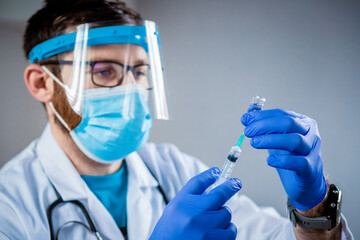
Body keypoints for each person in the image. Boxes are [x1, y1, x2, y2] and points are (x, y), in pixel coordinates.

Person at [0, 0, 354, 239]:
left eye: (139, 71)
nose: (131, 89)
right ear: (42, 83)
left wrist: (315, 206)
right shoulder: (9, 203)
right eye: (104, 71)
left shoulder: (171, 168)